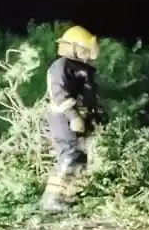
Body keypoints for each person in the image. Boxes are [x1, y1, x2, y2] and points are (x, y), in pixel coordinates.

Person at [40, 25, 106, 212]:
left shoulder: (83, 69)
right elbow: (59, 93)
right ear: (74, 48)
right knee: (68, 156)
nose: (88, 53)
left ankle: (67, 198)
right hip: (63, 119)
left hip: (80, 120)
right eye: (84, 49)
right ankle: (52, 200)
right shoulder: (60, 67)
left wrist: (96, 117)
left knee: (80, 159)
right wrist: (74, 116)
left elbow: (89, 96)